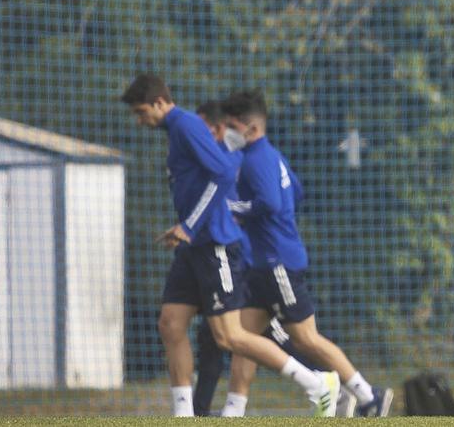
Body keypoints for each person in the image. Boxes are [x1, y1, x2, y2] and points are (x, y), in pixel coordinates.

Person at [120, 74, 338, 417]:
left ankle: (316, 383)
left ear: (161, 102)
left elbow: (222, 174)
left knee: (229, 337)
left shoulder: (187, 125)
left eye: (141, 111)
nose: (139, 120)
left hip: (215, 244)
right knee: (171, 323)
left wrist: (190, 225)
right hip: (193, 247)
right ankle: (183, 415)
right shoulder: (176, 131)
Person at [219, 90, 393, 417]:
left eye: (230, 126)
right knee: (242, 339)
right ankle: (233, 409)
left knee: (306, 339)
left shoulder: (258, 159)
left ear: (251, 129)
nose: (226, 133)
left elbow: (270, 202)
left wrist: (233, 208)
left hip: (277, 263)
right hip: (262, 262)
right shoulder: (271, 156)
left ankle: (369, 396)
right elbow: (295, 192)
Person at [190, 101, 326, 417]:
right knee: (222, 334)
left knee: (271, 336)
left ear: (221, 127)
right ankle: (211, 411)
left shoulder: (244, 159)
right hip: (246, 259)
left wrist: (242, 215)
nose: (207, 135)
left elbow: (277, 199)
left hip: (247, 260)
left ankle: (325, 382)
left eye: (209, 128)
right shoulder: (247, 157)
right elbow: (295, 191)